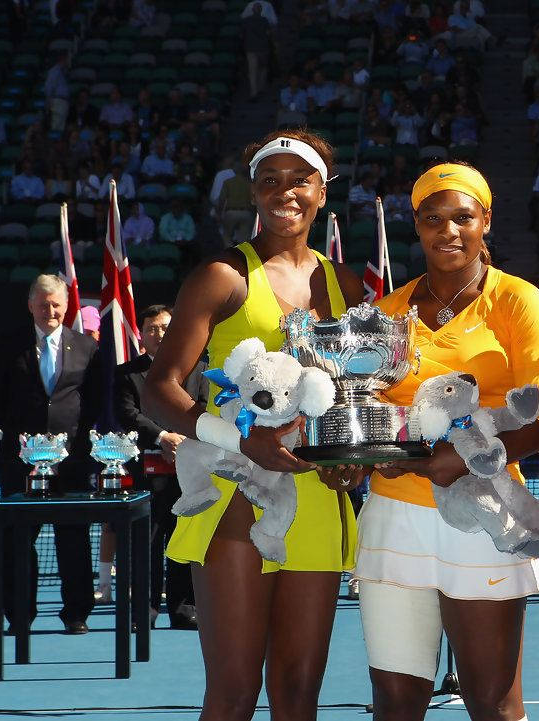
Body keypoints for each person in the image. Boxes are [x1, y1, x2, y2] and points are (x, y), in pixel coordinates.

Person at [144, 129, 364, 720]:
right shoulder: (222, 276)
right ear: (253, 192)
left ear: (323, 191)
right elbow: (160, 388)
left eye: (300, 180)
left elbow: (360, 395)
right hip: (238, 495)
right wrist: (244, 441)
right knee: (235, 694)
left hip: (318, 499)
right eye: (270, 180)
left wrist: (354, 458)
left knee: (298, 696)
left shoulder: (351, 286)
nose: (284, 192)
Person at [354, 162, 539, 721]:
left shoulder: (520, 301)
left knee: (492, 705)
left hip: (485, 516)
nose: (448, 231)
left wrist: (464, 456)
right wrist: (354, 452)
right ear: (416, 226)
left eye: (462, 217)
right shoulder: (385, 312)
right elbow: (364, 408)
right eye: (432, 218)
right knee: (395, 705)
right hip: (393, 517)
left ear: (485, 221)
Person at [0, 274, 101, 634]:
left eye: (56, 305)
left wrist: (71, 442)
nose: (49, 311)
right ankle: (19, 616)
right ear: (30, 306)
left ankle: (76, 614)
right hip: (20, 462)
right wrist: (26, 443)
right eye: (42, 304)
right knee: (17, 540)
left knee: (74, 538)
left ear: (66, 307)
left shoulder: (87, 347)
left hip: (72, 462)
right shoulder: (9, 345)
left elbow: (95, 401)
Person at [115, 304, 207, 629]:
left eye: (165, 327)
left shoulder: (199, 368)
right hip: (145, 474)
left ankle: (183, 609)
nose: (159, 334)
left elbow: (204, 410)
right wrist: (162, 436)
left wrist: (181, 440)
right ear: (142, 333)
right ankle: (146, 609)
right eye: (152, 328)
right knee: (147, 542)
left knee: (183, 539)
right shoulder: (126, 373)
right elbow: (128, 413)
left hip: (189, 471)